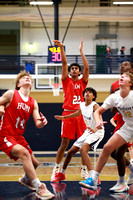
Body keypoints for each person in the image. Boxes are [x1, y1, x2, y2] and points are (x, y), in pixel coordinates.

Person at [0, 70, 55, 199]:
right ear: (18, 84)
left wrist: (43, 122)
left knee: (35, 163)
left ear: (31, 85)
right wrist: (1, 107)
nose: (27, 78)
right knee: (24, 153)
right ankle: (39, 187)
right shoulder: (11, 94)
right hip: (5, 134)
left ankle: (25, 180)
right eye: (23, 78)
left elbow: (38, 124)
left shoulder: (33, 102)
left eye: (28, 78)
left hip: (19, 137)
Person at [79, 70, 133, 192]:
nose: (122, 76)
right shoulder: (114, 97)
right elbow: (97, 112)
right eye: (121, 75)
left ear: (130, 83)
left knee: (118, 154)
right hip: (128, 127)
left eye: (125, 76)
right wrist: (97, 121)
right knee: (107, 148)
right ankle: (93, 180)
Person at [51, 38, 89, 182]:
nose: (73, 70)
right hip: (67, 113)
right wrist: (61, 48)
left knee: (83, 145)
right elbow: (64, 63)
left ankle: (84, 170)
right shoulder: (66, 81)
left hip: (81, 115)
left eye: (75, 68)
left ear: (79, 72)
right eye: (72, 68)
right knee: (64, 144)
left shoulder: (83, 82)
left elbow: (87, 68)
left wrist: (81, 51)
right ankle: (57, 168)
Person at [52, 87, 104, 184]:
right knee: (70, 152)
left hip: (97, 131)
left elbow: (99, 120)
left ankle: (93, 178)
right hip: (88, 132)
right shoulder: (82, 105)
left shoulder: (95, 106)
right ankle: (61, 174)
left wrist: (95, 129)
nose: (87, 93)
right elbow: (77, 113)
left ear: (93, 96)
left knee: (83, 150)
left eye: (90, 92)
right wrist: (64, 117)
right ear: (83, 95)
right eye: (86, 92)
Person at [109, 61, 133, 192]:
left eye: (127, 64)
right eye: (122, 64)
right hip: (120, 122)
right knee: (113, 153)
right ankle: (132, 169)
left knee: (119, 154)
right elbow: (113, 109)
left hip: (130, 123)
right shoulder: (114, 85)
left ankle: (121, 182)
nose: (123, 65)